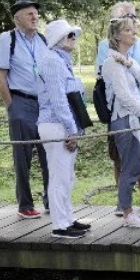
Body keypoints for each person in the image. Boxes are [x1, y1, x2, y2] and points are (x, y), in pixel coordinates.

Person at [96, 1, 140, 217]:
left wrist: (130, 63)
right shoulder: (111, 63)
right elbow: (125, 98)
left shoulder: (126, 60)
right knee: (130, 167)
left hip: (138, 117)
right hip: (124, 119)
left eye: (134, 30)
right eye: (127, 30)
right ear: (116, 36)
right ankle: (126, 212)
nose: (133, 33)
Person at [0, 0, 50, 219]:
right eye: (29, 14)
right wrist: (12, 107)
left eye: (36, 14)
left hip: (44, 103)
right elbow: (1, 76)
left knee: (49, 154)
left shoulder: (43, 40)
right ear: (17, 18)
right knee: (23, 156)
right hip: (21, 101)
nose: (35, 17)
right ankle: (25, 204)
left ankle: (51, 200)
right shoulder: (8, 39)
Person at [36, 19, 91, 239]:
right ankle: (60, 225)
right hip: (56, 125)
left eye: (74, 35)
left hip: (65, 125)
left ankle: (67, 218)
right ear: (58, 39)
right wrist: (71, 130)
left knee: (67, 176)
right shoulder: (52, 61)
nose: (73, 39)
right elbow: (58, 100)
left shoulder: (62, 60)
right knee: (59, 176)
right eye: (70, 35)